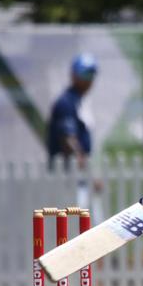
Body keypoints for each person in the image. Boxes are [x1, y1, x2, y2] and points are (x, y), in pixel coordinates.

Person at [47, 53, 103, 212]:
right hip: (69, 177)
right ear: (73, 75)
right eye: (84, 74)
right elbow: (68, 139)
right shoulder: (66, 102)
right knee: (76, 222)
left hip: (79, 178)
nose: (89, 79)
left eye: (92, 74)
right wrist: (89, 172)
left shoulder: (80, 101)